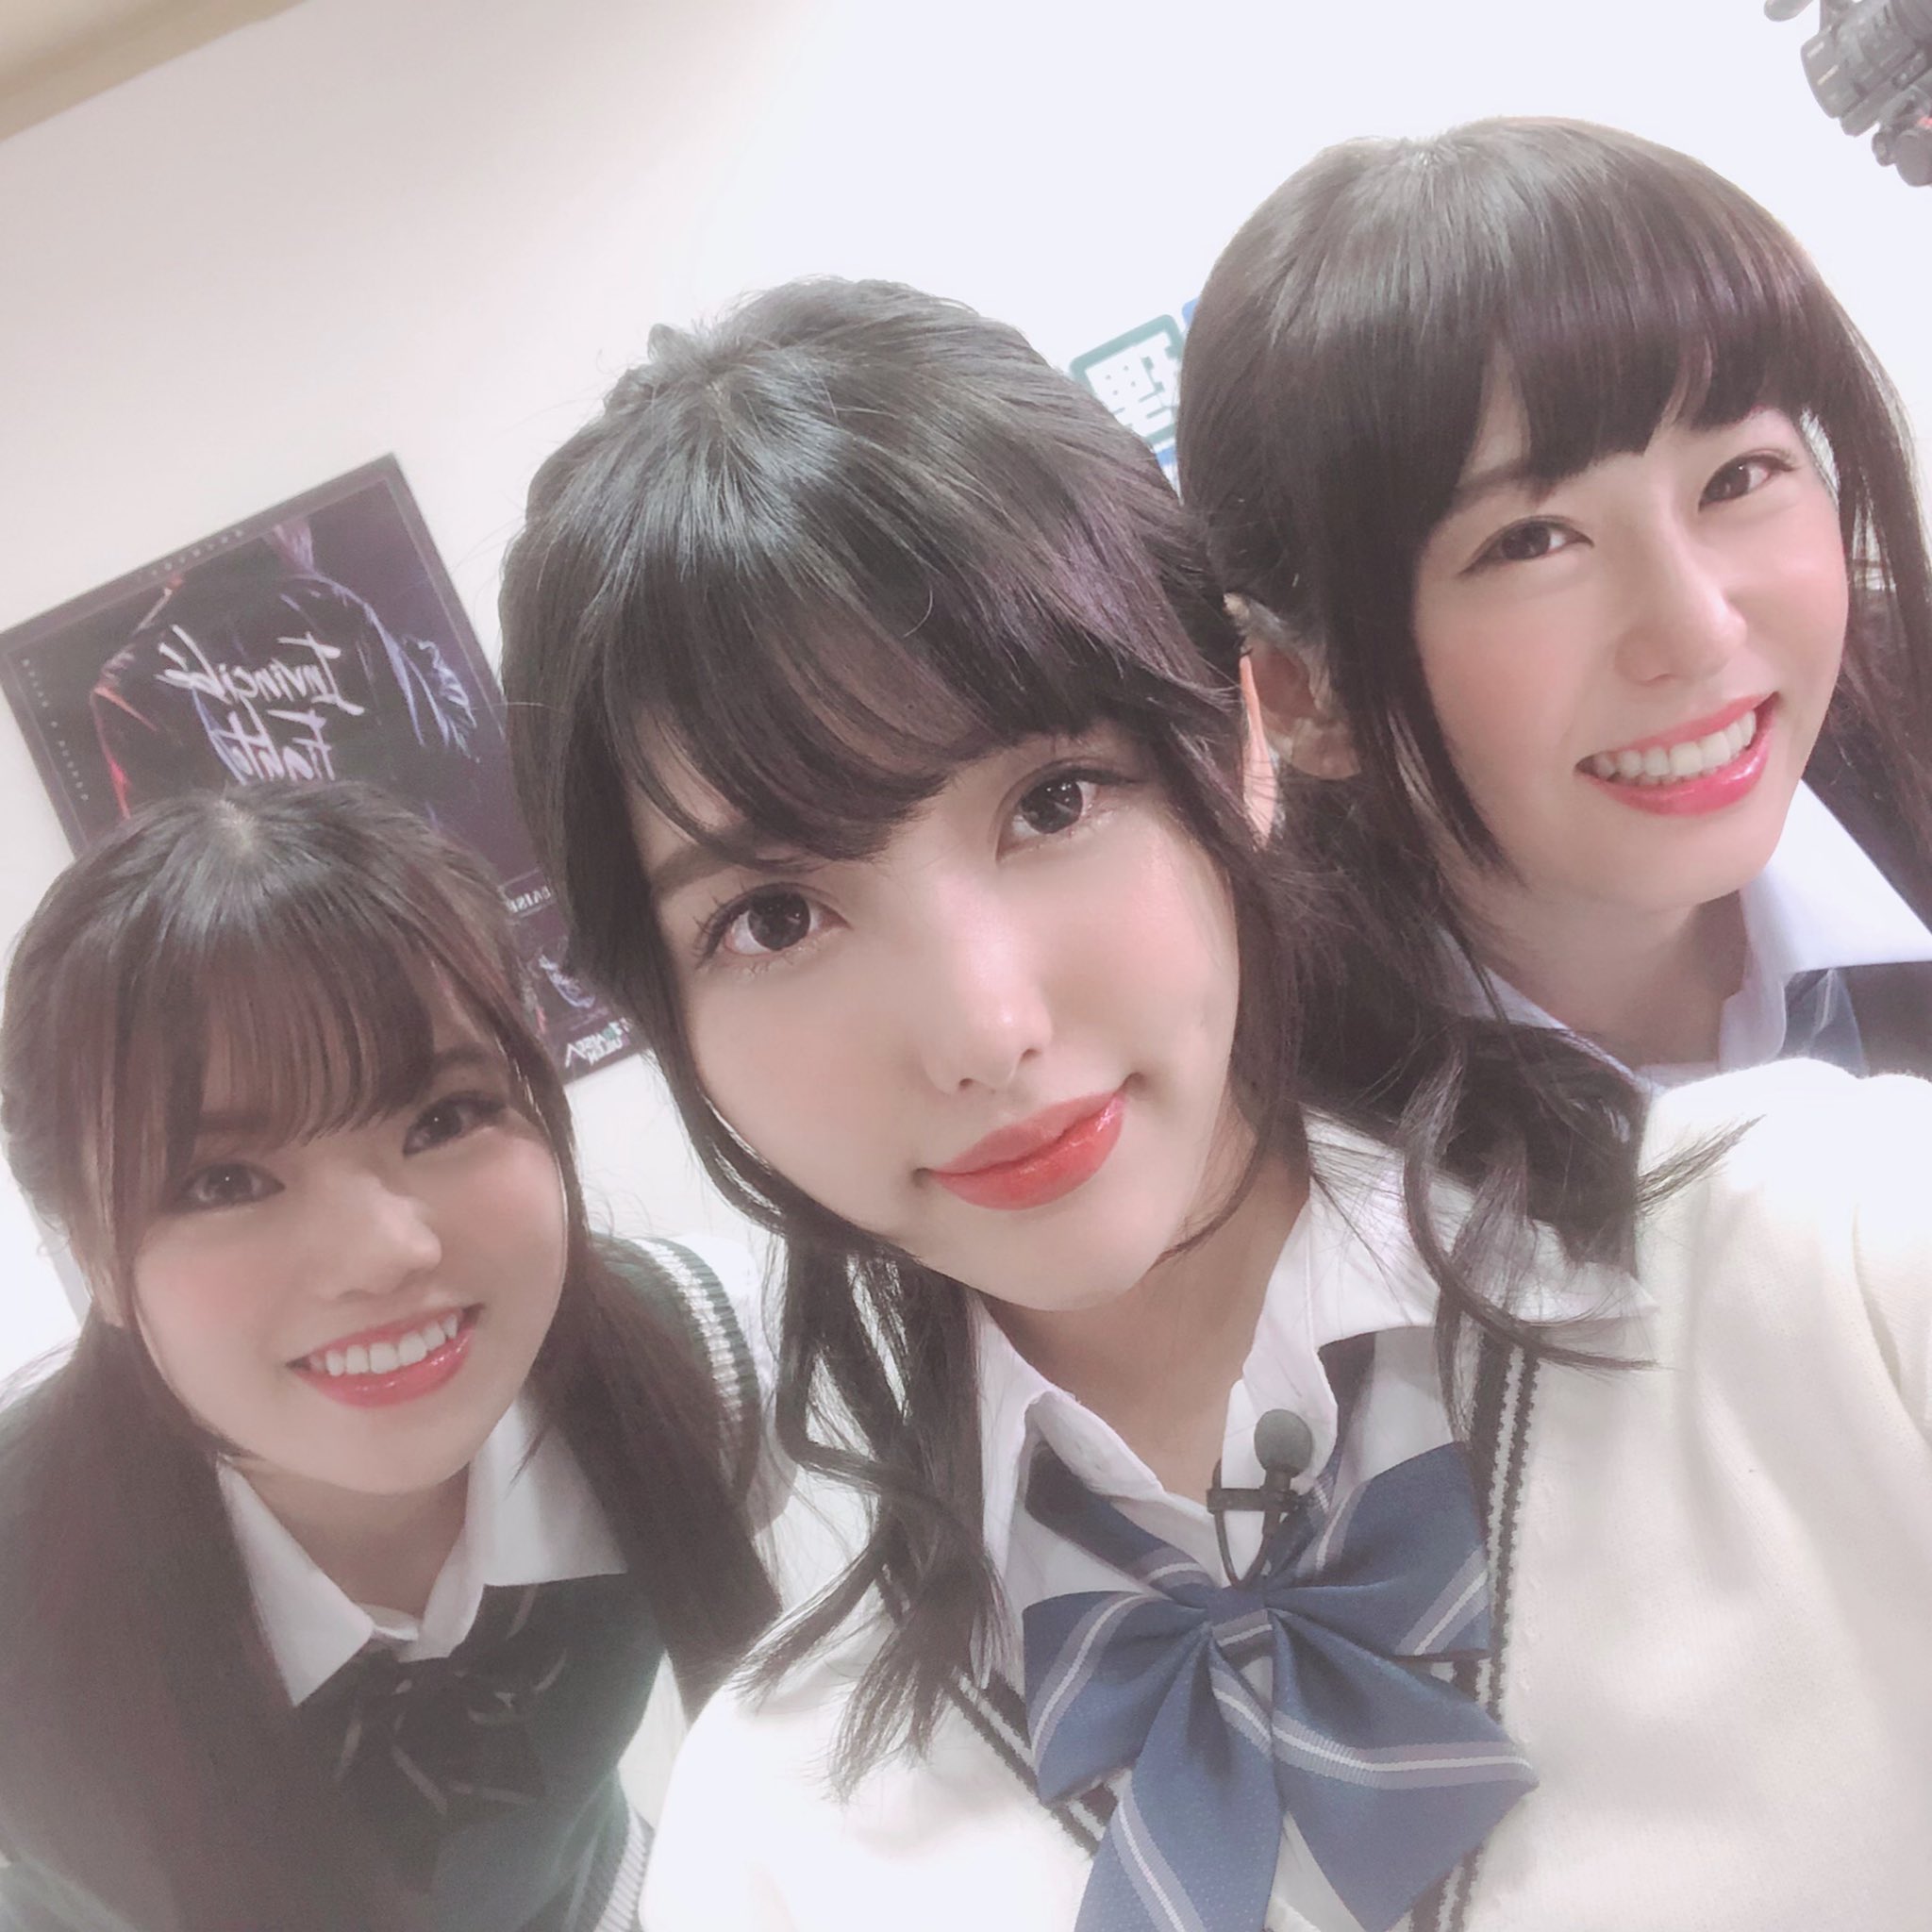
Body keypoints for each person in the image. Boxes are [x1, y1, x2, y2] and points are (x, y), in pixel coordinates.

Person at [498, 277, 1932, 1932]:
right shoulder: (776, 1840)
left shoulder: (1840, 1270)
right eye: (774, 917)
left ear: (1243, 742)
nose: (984, 1030)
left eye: (1054, 800)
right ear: (664, 1014)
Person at [0, 781, 777, 1932]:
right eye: (224, 1181)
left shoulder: (701, 1350)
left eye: (444, 1117)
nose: (384, 1254)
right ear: (90, 1251)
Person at [1177, 116, 1932, 1086]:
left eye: (1738, 476)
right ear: (1300, 692)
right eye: (1531, 541)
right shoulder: (1283, 1130)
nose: (1699, 631)